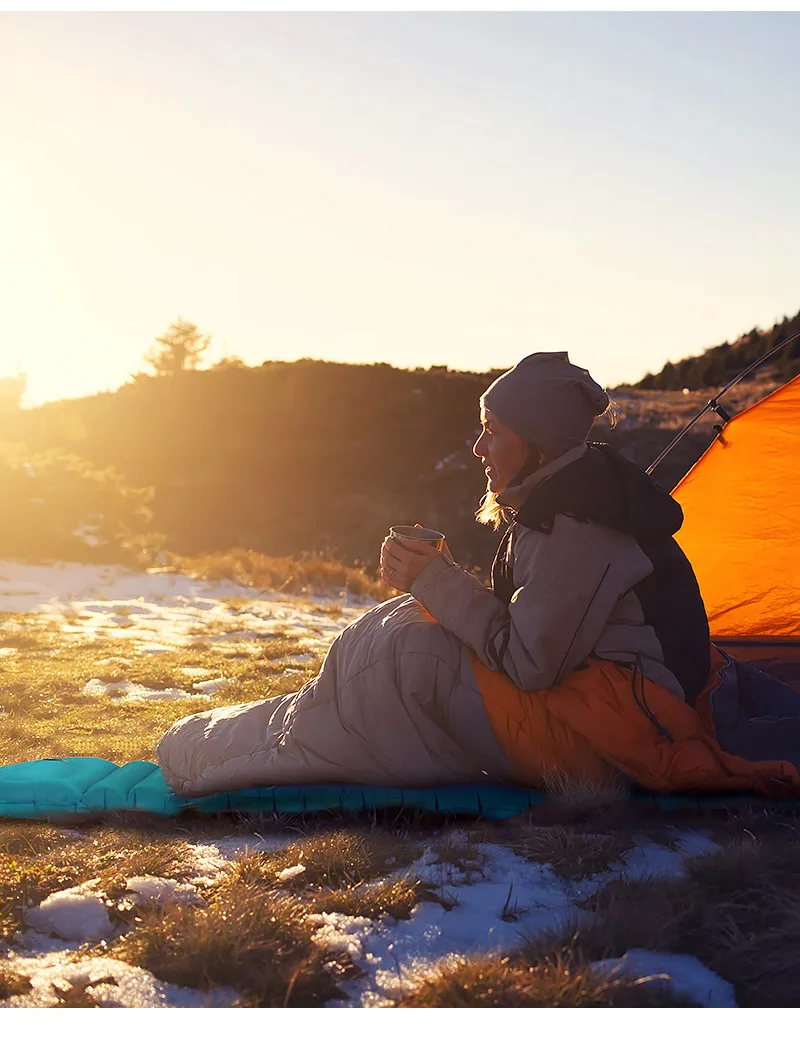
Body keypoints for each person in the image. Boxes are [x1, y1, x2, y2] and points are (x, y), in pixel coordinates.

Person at [157, 352, 800, 799]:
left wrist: (435, 580)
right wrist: (433, 584)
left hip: (616, 735)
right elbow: (539, 628)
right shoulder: (569, 498)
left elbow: (529, 664)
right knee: (399, 634)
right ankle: (226, 742)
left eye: (493, 432)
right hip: (613, 703)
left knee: (406, 656)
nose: (479, 447)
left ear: (537, 442)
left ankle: (207, 755)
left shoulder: (575, 524)